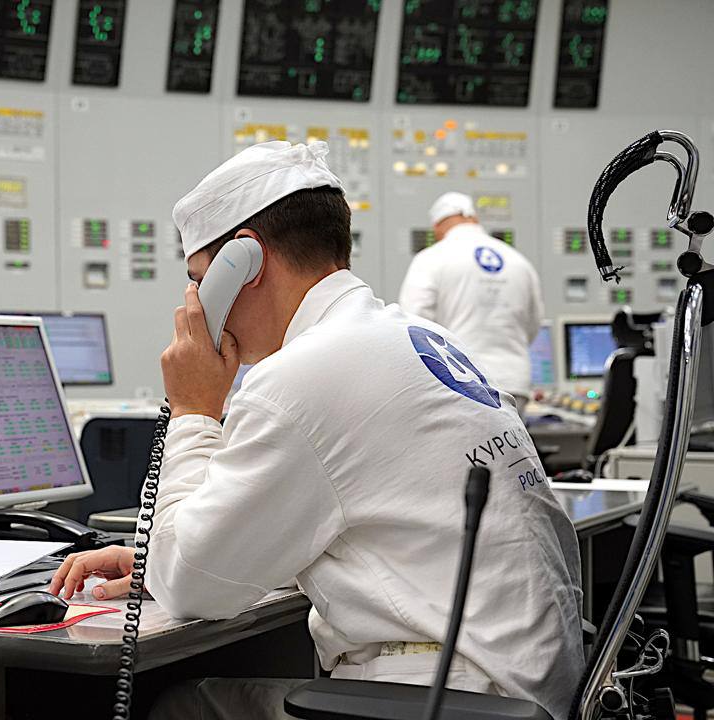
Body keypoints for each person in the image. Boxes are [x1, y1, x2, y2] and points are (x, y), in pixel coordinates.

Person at [49, 142, 583, 720]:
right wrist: (166, 558)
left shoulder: (302, 375)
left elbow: (191, 587)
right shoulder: (416, 338)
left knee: (184, 706)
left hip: (447, 700)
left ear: (244, 263)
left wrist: (194, 410)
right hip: (527, 690)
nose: (197, 305)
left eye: (200, 280)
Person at [398, 192, 545, 415]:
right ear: (474, 218)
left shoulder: (431, 259)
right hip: (514, 383)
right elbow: (533, 324)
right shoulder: (518, 261)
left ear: (437, 226)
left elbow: (413, 323)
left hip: (460, 382)